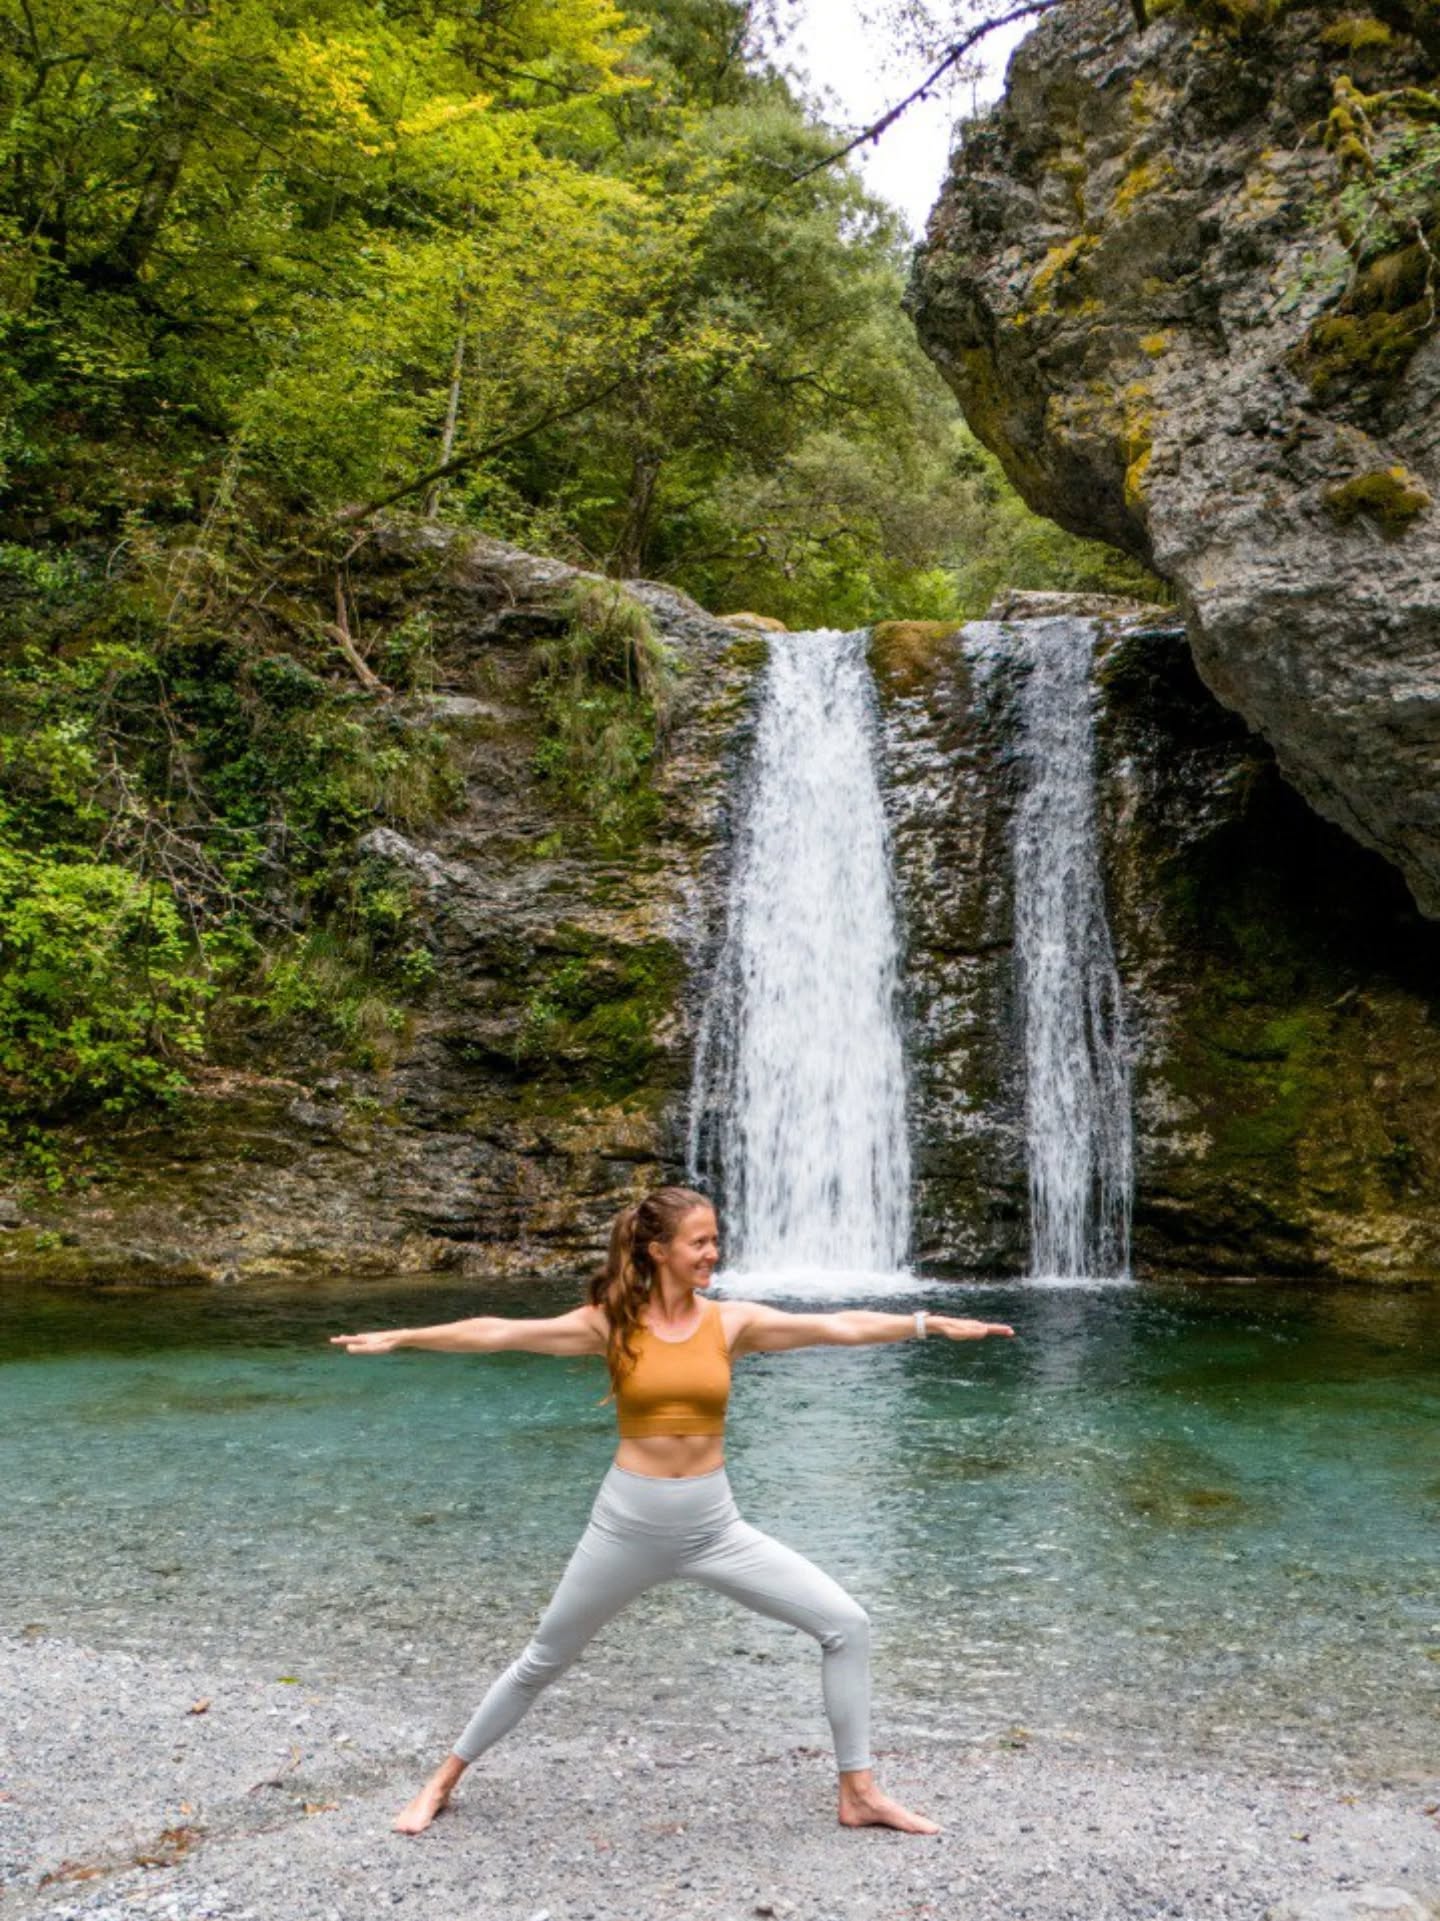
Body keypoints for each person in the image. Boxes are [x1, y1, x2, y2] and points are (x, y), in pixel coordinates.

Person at [330, 1184, 1015, 1836]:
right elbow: (498, 1332)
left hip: (715, 1527)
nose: (712, 1252)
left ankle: (859, 1792)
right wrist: (406, 1335)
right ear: (658, 1249)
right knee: (544, 1657)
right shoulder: (611, 1325)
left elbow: (835, 1325)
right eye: (699, 1241)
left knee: (846, 1624)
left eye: (716, 1239)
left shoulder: (733, 1321)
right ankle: (443, 1780)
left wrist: (927, 1322)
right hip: (626, 1526)